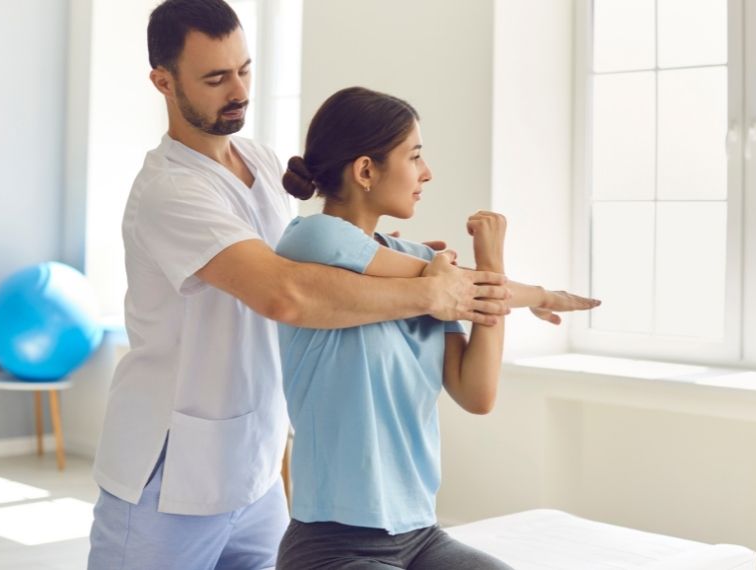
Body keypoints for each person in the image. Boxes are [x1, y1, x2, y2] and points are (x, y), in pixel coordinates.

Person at [86, 2, 514, 569]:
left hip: (256, 472)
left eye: (244, 69)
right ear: (162, 82)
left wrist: (400, 260)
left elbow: (326, 261)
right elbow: (285, 292)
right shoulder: (171, 190)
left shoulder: (261, 163)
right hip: (165, 475)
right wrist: (430, 291)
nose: (238, 89)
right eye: (215, 78)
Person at [273, 87, 600, 569]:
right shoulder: (310, 237)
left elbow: (477, 394)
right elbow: (457, 284)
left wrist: (496, 267)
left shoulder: (429, 270)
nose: (426, 173)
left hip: (420, 536)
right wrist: (508, 288)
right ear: (365, 170)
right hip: (333, 543)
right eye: (415, 156)